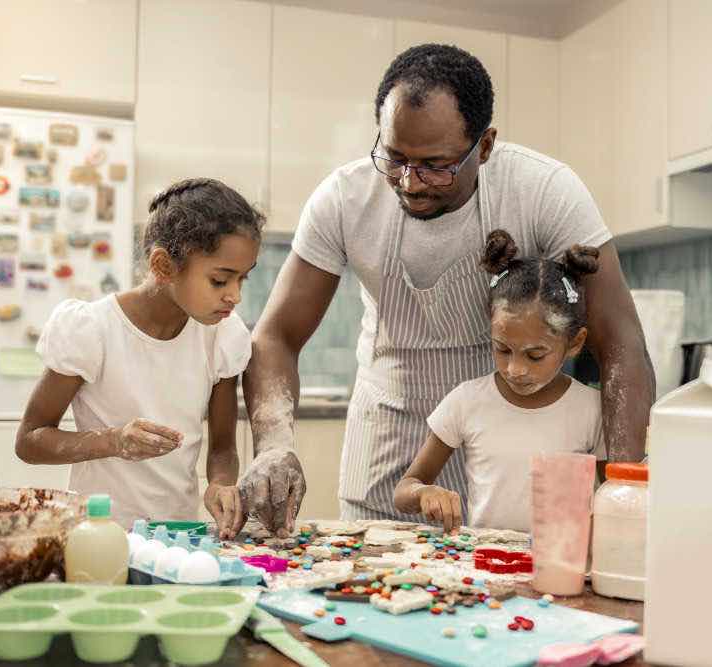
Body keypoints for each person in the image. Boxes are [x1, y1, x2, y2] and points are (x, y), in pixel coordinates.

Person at [240, 43, 653, 532]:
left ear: (484, 145)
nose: (410, 183)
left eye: (436, 165)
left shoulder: (545, 191)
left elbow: (620, 339)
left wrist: (623, 492)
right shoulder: (343, 199)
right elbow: (275, 336)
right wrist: (274, 446)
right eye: (393, 158)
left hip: (501, 447)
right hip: (386, 447)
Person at [16, 178, 262, 537]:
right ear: (163, 265)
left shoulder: (222, 336)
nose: (235, 296)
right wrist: (115, 440)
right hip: (96, 535)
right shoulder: (92, 330)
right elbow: (29, 440)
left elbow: (223, 447)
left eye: (243, 279)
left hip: (178, 535)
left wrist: (221, 483)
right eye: (220, 281)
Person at [393, 230, 606, 533]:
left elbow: (614, 496)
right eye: (502, 349)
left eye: (535, 355)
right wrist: (424, 493)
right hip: (485, 566)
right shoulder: (467, 401)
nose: (515, 369)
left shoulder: (591, 409)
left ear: (574, 343)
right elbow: (404, 490)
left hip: (557, 566)